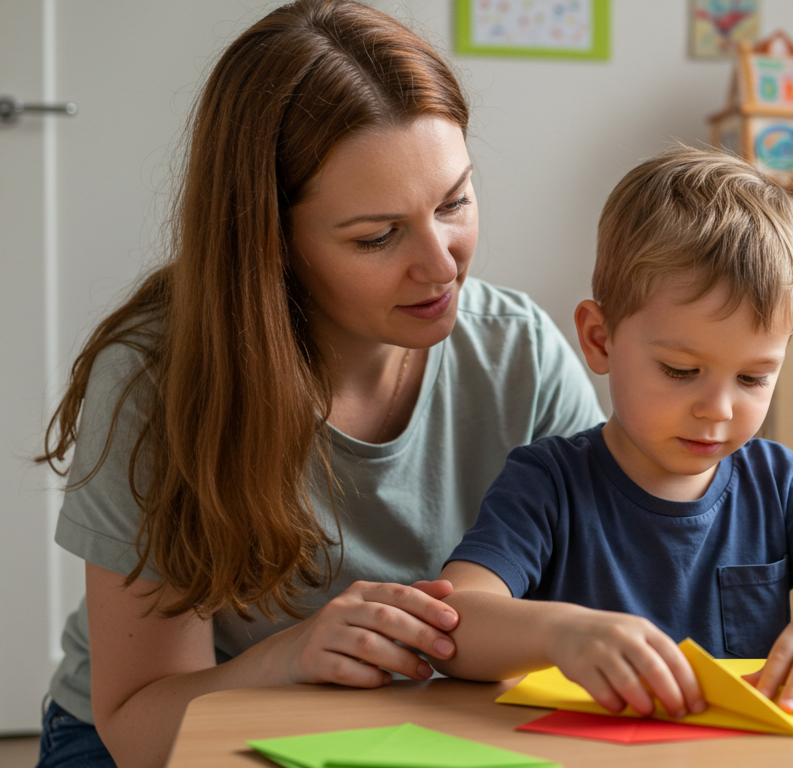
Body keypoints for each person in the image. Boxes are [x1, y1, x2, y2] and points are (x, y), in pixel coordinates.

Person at [33, 2, 608, 766]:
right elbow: (137, 723)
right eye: (377, 235)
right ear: (268, 243)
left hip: (421, 725)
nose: (442, 265)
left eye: (454, 202)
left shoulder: (520, 352)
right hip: (166, 727)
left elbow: (609, 582)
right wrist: (288, 656)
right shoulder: (153, 378)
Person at [432, 147, 793, 723]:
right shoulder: (546, 482)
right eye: (681, 371)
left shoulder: (783, 486)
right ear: (600, 340)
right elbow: (455, 624)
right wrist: (564, 634)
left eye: (754, 377)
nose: (718, 409)